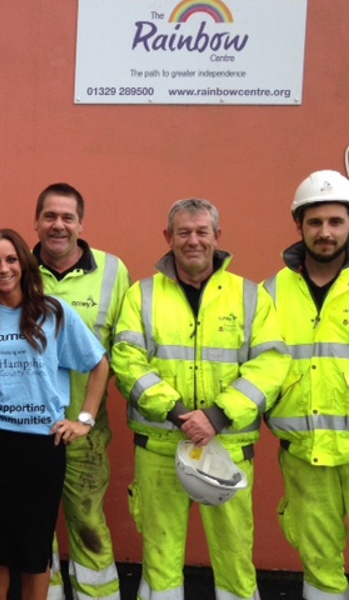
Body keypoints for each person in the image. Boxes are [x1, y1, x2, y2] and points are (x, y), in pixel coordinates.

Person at [111, 198, 290, 600]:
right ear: (168, 237)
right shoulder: (142, 295)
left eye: (201, 231)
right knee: (160, 558)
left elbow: (271, 365)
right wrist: (177, 414)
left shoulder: (250, 296)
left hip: (227, 448)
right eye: (183, 232)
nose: (193, 240)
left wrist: (218, 415)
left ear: (217, 237)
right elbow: (127, 360)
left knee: (235, 559)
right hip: (159, 446)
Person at [0, 229, 109, 600]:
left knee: (35, 552)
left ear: (24, 264)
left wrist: (84, 420)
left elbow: (99, 363)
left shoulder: (53, 313)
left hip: (43, 445)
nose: (4, 268)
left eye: (11, 259)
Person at [32, 183, 129, 600]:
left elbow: (122, 350)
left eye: (67, 217)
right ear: (36, 222)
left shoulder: (112, 271)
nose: (58, 225)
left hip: (84, 433)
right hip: (29, 429)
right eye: (50, 216)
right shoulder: (16, 268)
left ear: (81, 223)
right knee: (37, 528)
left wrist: (88, 418)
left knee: (88, 523)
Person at [263, 170, 349, 600]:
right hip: (304, 453)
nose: (325, 232)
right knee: (319, 561)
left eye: (336, 221)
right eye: (315, 222)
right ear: (298, 225)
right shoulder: (270, 292)